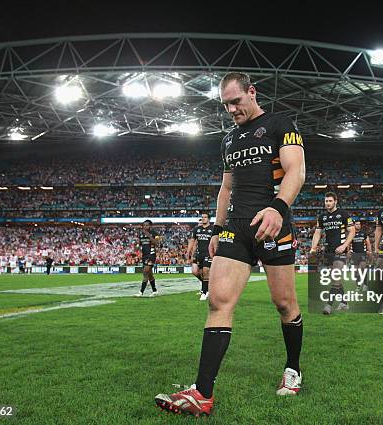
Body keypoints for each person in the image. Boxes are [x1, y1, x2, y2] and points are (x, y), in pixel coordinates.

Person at [155, 71, 306, 416]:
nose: (232, 109)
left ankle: (293, 369)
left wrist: (279, 208)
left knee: (284, 304)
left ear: (252, 93)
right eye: (226, 105)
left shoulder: (282, 124)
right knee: (219, 301)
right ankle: (202, 394)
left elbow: (296, 171)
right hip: (235, 229)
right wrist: (215, 230)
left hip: (272, 224)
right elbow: (226, 188)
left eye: (236, 101)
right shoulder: (228, 140)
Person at [310, 192, 355, 314]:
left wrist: (344, 246)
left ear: (335, 201)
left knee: (335, 277)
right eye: (326, 201)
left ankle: (328, 305)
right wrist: (313, 247)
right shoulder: (322, 217)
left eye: (330, 201)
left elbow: (352, 231)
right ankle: (344, 303)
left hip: (340, 251)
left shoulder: (343, 214)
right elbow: (317, 233)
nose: (328, 203)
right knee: (335, 279)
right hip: (328, 251)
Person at [187, 213, 213, 300]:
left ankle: (204, 292)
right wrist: (188, 252)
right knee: (195, 272)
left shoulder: (213, 229)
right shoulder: (197, 229)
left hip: (208, 253)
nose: (203, 219)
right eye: (202, 217)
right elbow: (192, 241)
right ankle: (207, 287)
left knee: (205, 271)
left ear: (209, 219)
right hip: (199, 254)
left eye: (205, 217)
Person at [135, 220, 160, 297]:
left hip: (151, 255)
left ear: (150, 226)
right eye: (144, 225)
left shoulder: (155, 233)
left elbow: (156, 243)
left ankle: (141, 292)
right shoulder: (141, 235)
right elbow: (138, 245)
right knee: (150, 275)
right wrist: (137, 247)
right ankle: (155, 291)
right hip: (144, 256)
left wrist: (148, 235)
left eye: (147, 225)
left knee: (145, 272)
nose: (145, 227)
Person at [351, 220, 373, 291]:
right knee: (356, 272)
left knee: (362, 269)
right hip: (354, 255)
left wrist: (369, 252)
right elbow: (348, 244)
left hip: (363, 254)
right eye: (357, 224)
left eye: (359, 224)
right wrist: (348, 251)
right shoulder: (351, 234)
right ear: (354, 225)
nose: (358, 225)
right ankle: (358, 286)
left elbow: (368, 243)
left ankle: (365, 285)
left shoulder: (364, 233)